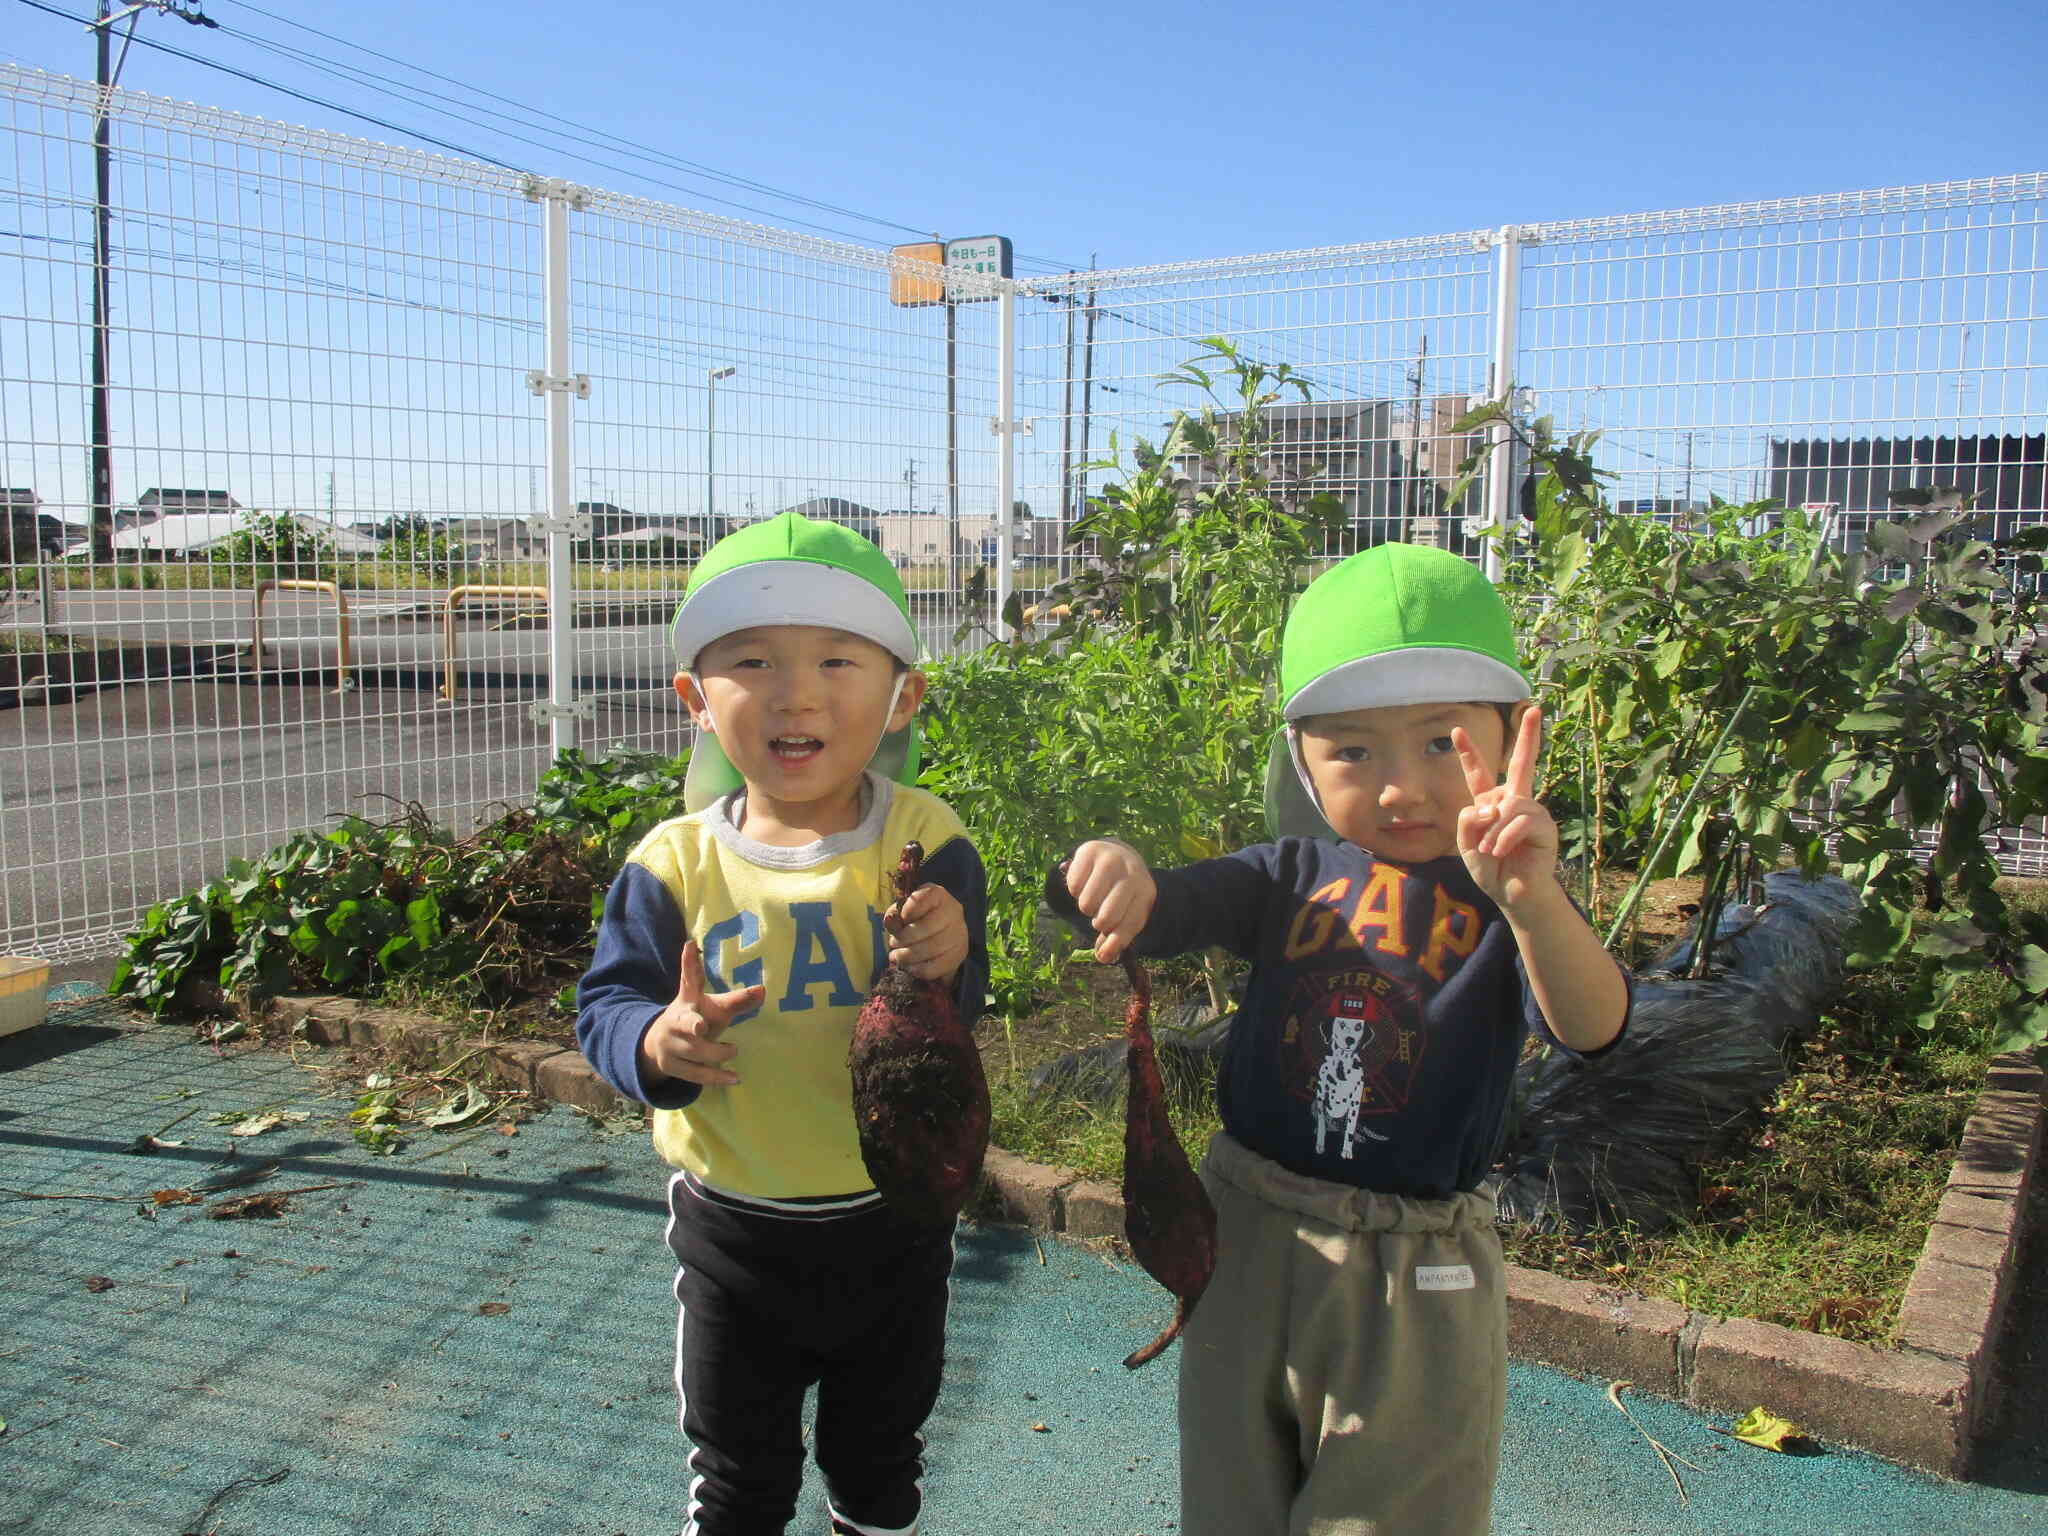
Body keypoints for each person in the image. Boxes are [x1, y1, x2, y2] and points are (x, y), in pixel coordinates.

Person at [1049, 541, 1630, 1536]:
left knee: (1392, 1512)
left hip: (1412, 1269)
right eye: (1352, 750)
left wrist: (1533, 901)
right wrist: (1115, 875)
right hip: (1245, 1231)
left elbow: (1592, 1028)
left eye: (1441, 743)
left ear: (1508, 734)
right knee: (1231, 1499)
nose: (1399, 786)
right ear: (1303, 764)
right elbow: (1168, 910)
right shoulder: (1286, 874)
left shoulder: (1503, 903)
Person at [577, 510, 989, 1536]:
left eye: (838, 662)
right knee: (739, 1473)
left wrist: (948, 957)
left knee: (878, 1458)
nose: (795, 691)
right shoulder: (671, 863)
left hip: (894, 1220)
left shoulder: (923, 838)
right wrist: (651, 1042)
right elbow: (605, 1005)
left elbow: (964, 1003)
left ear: (903, 696)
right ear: (696, 703)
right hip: (731, 1229)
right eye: (751, 660)